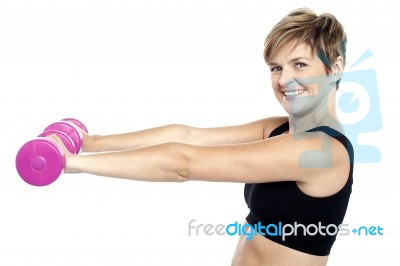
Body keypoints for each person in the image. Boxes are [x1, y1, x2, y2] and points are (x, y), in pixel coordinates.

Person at [51, 7, 353, 266]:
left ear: (335, 67)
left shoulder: (321, 150)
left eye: (300, 64)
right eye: (276, 67)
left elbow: (183, 162)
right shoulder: (277, 130)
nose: (285, 79)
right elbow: (188, 135)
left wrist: (69, 162)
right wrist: (90, 141)